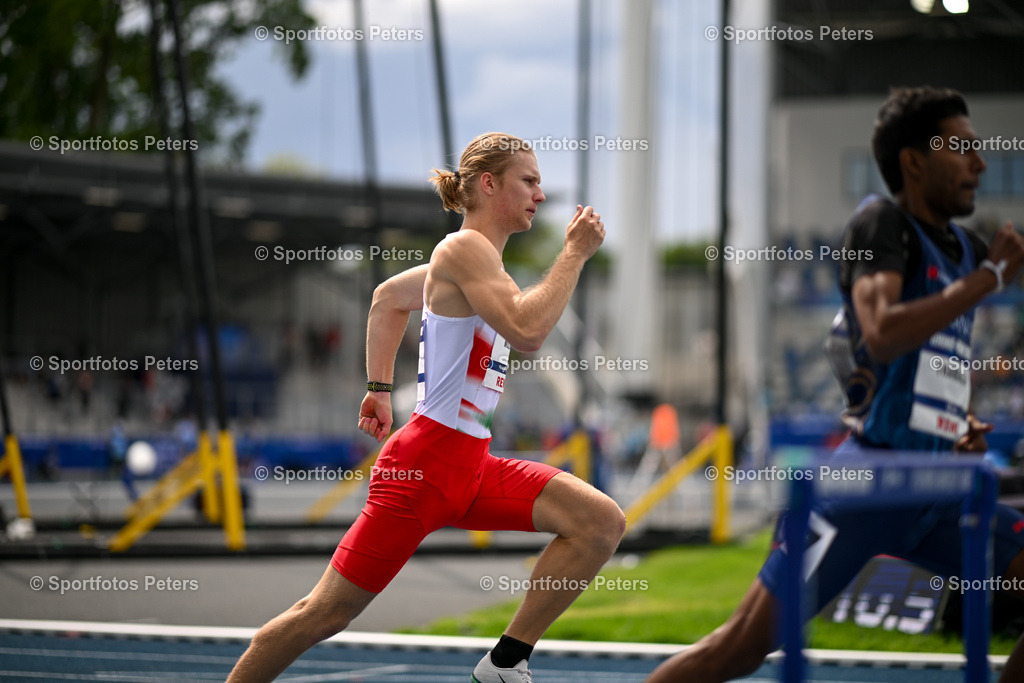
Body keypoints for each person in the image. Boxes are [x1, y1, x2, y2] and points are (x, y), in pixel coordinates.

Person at [646, 87, 1024, 682]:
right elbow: (881, 334)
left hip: (938, 490)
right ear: (914, 161)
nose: (980, 163)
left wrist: (958, 421)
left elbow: (943, 355)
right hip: (866, 486)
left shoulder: (968, 249)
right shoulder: (882, 223)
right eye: (962, 149)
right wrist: (988, 279)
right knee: (739, 650)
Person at [227, 132, 626, 683]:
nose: (540, 192)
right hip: (423, 470)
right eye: (528, 180)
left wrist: (378, 388)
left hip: (471, 466)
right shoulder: (462, 250)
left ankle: (506, 663)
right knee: (324, 613)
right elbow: (529, 329)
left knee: (599, 522)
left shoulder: (481, 267)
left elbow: (387, 298)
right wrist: (575, 253)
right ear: (489, 185)